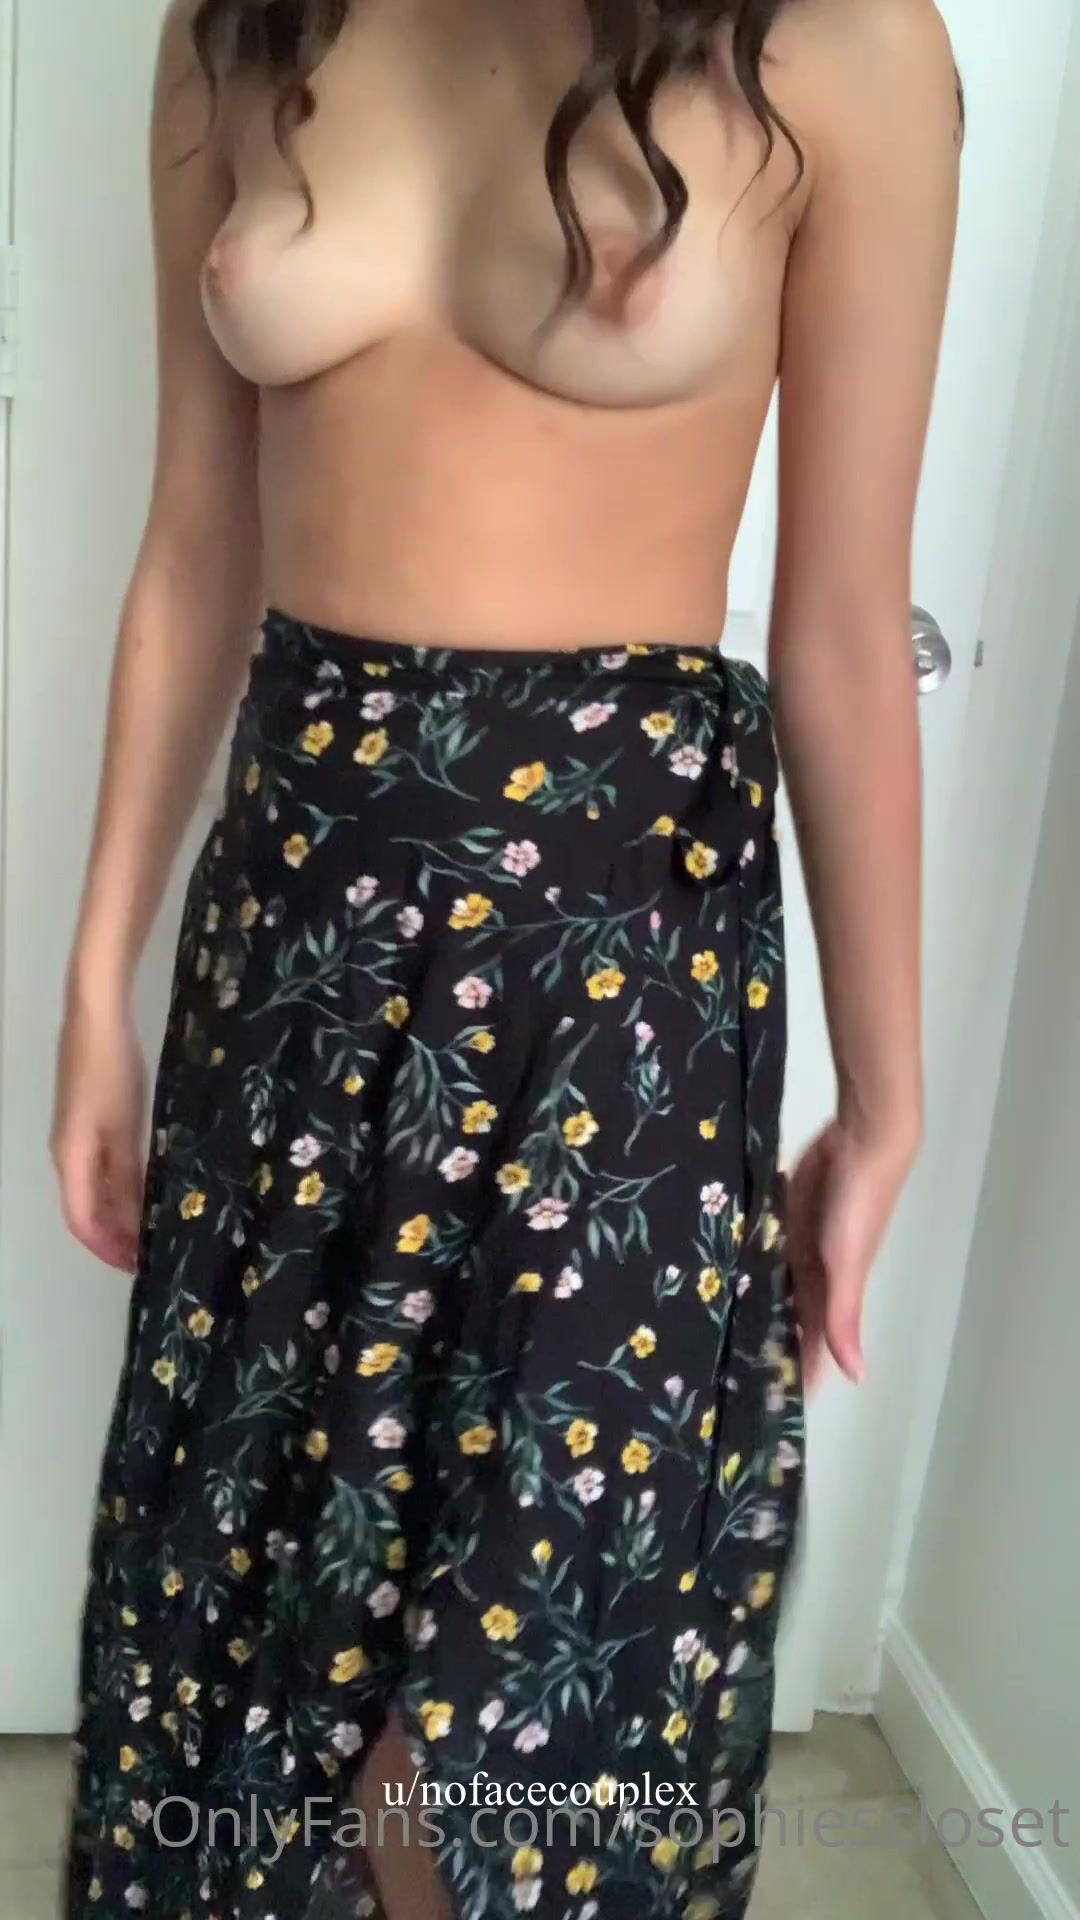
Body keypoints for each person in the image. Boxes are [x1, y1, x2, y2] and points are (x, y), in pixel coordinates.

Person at [51, 0, 961, 1915]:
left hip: (615, 991)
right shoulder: (239, 27)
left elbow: (843, 626)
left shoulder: (844, 48)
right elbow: (195, 548)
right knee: (264, 1627)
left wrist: (886, 1100)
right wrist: (93, 985)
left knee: (508, 1710)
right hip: (295, 955)